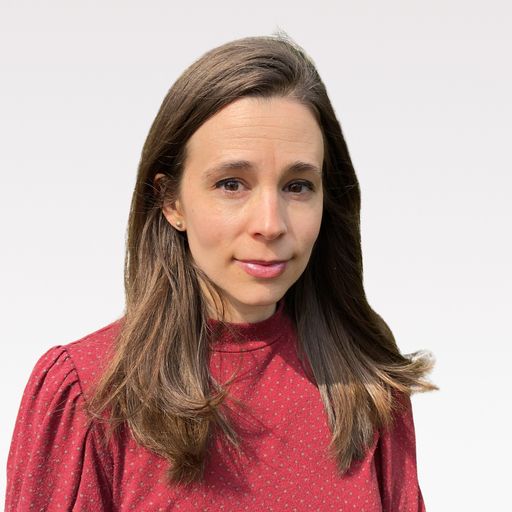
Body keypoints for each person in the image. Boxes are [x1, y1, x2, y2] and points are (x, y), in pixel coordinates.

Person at [6, 34, 436, 511]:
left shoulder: (369, 386)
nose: (270, 224)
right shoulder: (90, 396)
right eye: (232, 184)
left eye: (297, 186)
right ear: (171, 201)